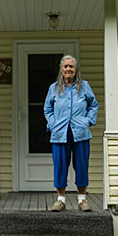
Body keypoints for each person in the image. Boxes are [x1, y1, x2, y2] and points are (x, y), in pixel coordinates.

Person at [44, 55, 99, 212]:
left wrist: (87, 121)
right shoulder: (53, 88)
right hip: (59, 134)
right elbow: (47, 108)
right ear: (61, 70)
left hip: (80, 133)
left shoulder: (84, 86)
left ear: (76, 70)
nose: (68, 69)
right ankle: (60, 200)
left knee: (81, 166)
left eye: (71, 66)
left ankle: (82, 200)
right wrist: (53, 124)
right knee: (60, 166)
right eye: (65, 66)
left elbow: (93, 105)